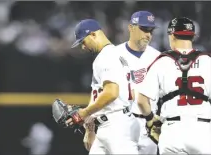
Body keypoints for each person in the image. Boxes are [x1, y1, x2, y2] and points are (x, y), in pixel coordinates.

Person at [137, 17, 211, 154]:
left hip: (172, 131)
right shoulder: (208, 61)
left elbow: (141, 100)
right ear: (193, 36)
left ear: (171, 35)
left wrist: (151, 120)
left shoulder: (161, 62)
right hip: (203, 131)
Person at [67, 19, 139, 154]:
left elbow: (111, 93)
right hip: (108, 124)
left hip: (117, 125)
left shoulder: (108, 56)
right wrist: (90, 129)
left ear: (93, 34)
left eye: (83, 42)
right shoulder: (116, 55)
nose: (83, 47)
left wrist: (85, 112)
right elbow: (97, 95)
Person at [115, 11, 160, 154]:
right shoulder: (114, 54)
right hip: (123, 123)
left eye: (150, 31)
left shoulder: (157, 57)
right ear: (131, 27)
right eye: (144, 29)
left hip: (150, 124)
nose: (148, 34)